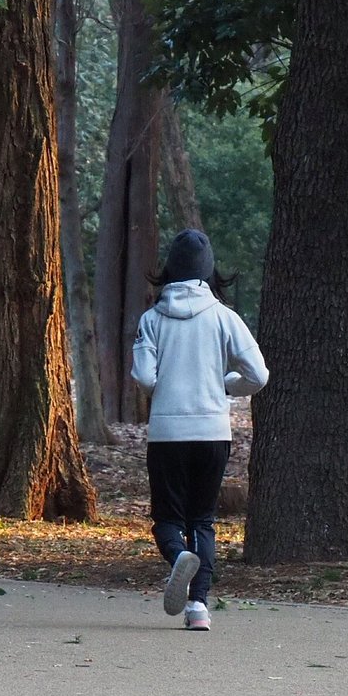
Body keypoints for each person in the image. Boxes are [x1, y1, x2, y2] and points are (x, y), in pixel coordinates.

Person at [131, 229, 269, 632]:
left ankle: (177, 558)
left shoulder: (152, 319)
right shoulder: (226, 318)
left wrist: (166, 386)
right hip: (212, 432)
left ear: (168, 271)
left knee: (167, 519)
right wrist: (226, 385)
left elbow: (142, 376)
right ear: (211, 273)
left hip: (168, 434)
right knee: (203, 520)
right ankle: (198, 608)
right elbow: (258, 376)